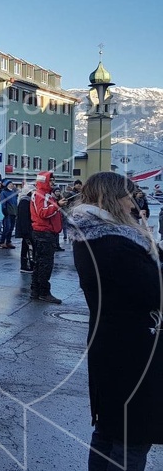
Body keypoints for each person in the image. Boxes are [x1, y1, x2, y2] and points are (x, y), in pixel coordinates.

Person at [69, 172, 163, 471]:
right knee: (132, 436)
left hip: (111, 341)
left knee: (110, 429)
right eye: (127, 196)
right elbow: (154, 291)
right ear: (111, 198)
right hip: (131, 348)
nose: (132, 203)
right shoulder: (113, 242)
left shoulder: (99, 236)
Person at [30, 171, 66, 304]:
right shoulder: (41, 195)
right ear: (44, 181)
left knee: (39, 263)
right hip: (44, 233)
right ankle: (44, 292)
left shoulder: (43, 194)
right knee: (45, 264)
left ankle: (36, 291)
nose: (53, 182)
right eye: (51, 180)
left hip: (43, 232)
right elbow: (42, 213)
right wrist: (58, 205)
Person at [15, 184, 35, 273]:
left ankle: (28, 264)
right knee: (28, 247)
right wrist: (26, 230)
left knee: (27, 247)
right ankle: (26, 265)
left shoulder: (27, 201)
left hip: (27, 228)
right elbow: (23, 218)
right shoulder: (24, 202)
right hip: (26, 229)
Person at [0, 180, 18, 249]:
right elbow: (3, 202)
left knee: (11, 228)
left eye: (12, 184)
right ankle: (2, 242)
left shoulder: (13, 192)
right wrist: (4, 210)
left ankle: (8, 241)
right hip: (7, 211)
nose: (11, 185)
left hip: (13, 211)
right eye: (9, 184)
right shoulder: (4, 192)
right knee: (7, 227)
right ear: (6, 185)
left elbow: (15, 202)